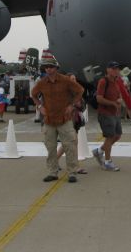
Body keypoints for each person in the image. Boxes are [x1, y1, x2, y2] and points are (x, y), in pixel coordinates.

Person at [32, 54, 84, 183]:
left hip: (64, 119)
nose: (48, 69)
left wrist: (71, 105)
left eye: (51, 67)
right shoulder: (42, 83)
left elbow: (80, 90)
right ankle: (52, 172)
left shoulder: (66, 80)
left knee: (70, 146)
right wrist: (39, 106)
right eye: (46, 67)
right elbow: (33, 94)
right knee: (50, 147)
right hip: (49, 119)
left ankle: (72, 172)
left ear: (56, 68)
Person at [92, 62, 124, 171]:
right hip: (105, 113)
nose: (116, 71)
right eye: (114, 69)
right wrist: (113, 103)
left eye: (117, 69)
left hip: (114, 113)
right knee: (110, 137)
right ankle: (107, 162)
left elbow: (118, 94)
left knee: (118, 135)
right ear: (108, 70)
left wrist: (119, 100)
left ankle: (99, 151)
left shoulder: (116, 81)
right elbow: (99, 98)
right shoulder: (103, 81)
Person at [56, 73, 87, 175]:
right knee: (73, 143)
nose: (74, 81)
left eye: (75, 79)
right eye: (72, 79)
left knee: (68, 144)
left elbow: (82, 105)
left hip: (75, 121)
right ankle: (76, 167)